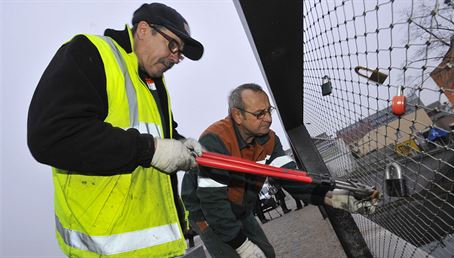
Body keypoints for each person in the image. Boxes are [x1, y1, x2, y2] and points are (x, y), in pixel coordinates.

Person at [27, 3, 204, 257]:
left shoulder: (154, 82)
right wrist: (151, 149)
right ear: (143, 30)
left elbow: (158, 135)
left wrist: (180, 143)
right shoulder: (91, 52)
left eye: (181, 53)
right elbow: (51, 134)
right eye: (173, 45)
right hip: (105, 251)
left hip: (162, 248)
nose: (176, 57)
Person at [181, 83, 377, 258]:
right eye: (259, 114)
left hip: (240, 208)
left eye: (269, 111)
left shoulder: (270, 140)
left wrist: (342, 200)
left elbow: (294, 181)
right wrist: (242, 246)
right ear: (237, 115)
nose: (268, 119)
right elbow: (212, 203)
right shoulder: (214, 141)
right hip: (207, 213)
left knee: (267, 254)